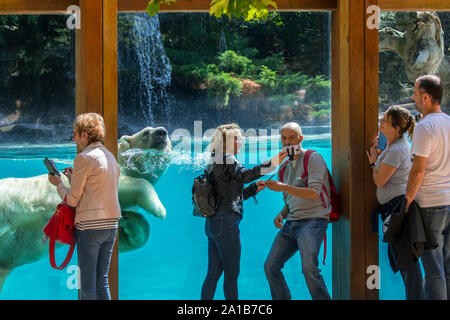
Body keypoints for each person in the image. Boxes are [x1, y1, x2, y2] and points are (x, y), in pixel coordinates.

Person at [200, 123, 286, 300]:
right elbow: (245, 175)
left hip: (212, 225)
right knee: (231, 274)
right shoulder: (228, 158)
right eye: (238, 138)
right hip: (226, 224)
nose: (242, 141)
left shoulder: (214, 160)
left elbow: (230, 195)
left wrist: (254, 188)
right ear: (229, 141)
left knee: (212, 275)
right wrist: (274, 162)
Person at [48, 113, 121, 300]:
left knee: (86, 286)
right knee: (101, 282)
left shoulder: (84, 158)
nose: (75, 139)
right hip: (111, 225)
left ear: (85, 135)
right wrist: (74, 179)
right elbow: (98, 190)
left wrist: (59, 185)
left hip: (90, 228)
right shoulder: (110, 157)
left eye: (75, 134)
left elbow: (72, 201)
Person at [264, 122, 331, 300]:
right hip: (291, 223)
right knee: (270, 266)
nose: (287, 142)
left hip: (314, 220)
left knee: (309, 269)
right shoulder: (284, 168)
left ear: (301, 138)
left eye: (292, 137)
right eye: (284, 138)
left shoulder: (313, 158)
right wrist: (282, 214)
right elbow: (290, 201)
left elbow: (313, 193)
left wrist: (283, 187)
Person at [366, 105, 424, 299]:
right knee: (404, 259)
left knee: (406, 261)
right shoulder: (394, 145)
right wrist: (378, 150)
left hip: (398, 210)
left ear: (396, 127)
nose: (380, 122)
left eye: (385, 121)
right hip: (395, 210)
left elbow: (379, 180)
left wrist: (374, 163)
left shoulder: (397, 148)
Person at [405, 75, 450, 300]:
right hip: (449, 201)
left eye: (415, 93)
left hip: (430, 204)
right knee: (446, 267)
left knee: (433, 270)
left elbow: (418, 170)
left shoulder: (424, 127)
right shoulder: (449, 122)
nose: (413, 97)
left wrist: (407, 201)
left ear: (425, 96)